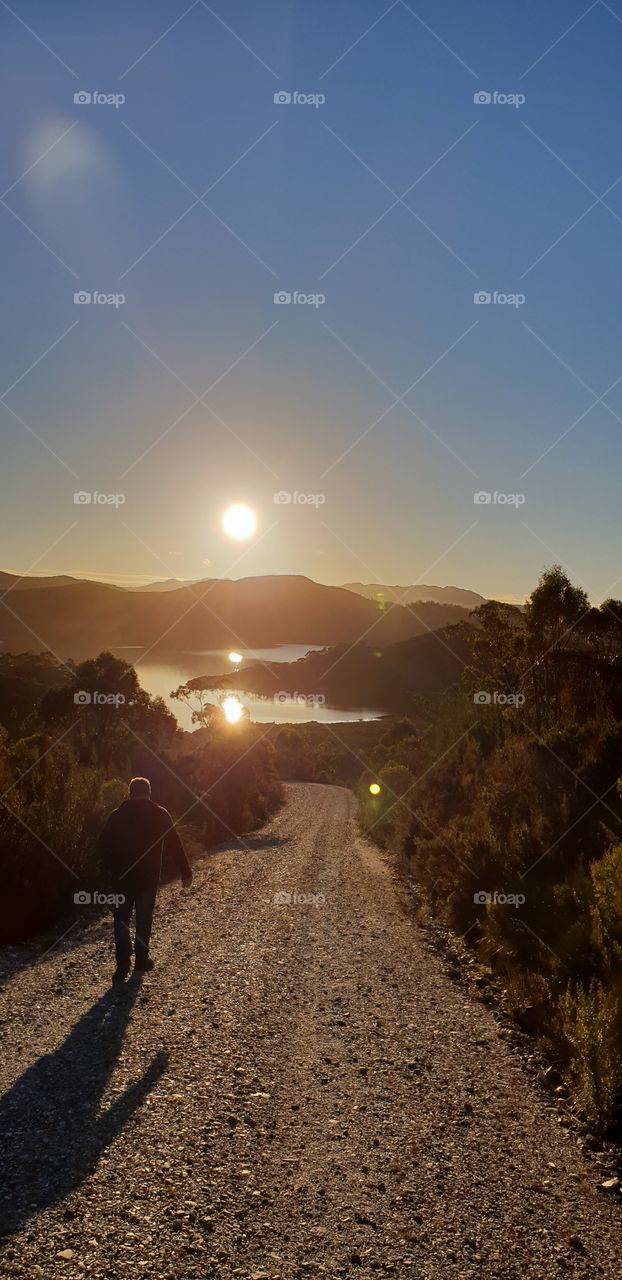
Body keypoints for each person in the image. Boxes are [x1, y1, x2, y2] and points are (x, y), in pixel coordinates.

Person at [99, 777, 193, 982]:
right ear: (149, 792)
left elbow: (103, 845)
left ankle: (122, 966)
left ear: (130, 793)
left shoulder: (116, 815)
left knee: (121, 920)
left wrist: (110, 869)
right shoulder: (159, 814)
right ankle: (141, 960)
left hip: (121, 879)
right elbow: (174, 844)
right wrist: (185, 871)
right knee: (144, 918)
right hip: (147, 878)